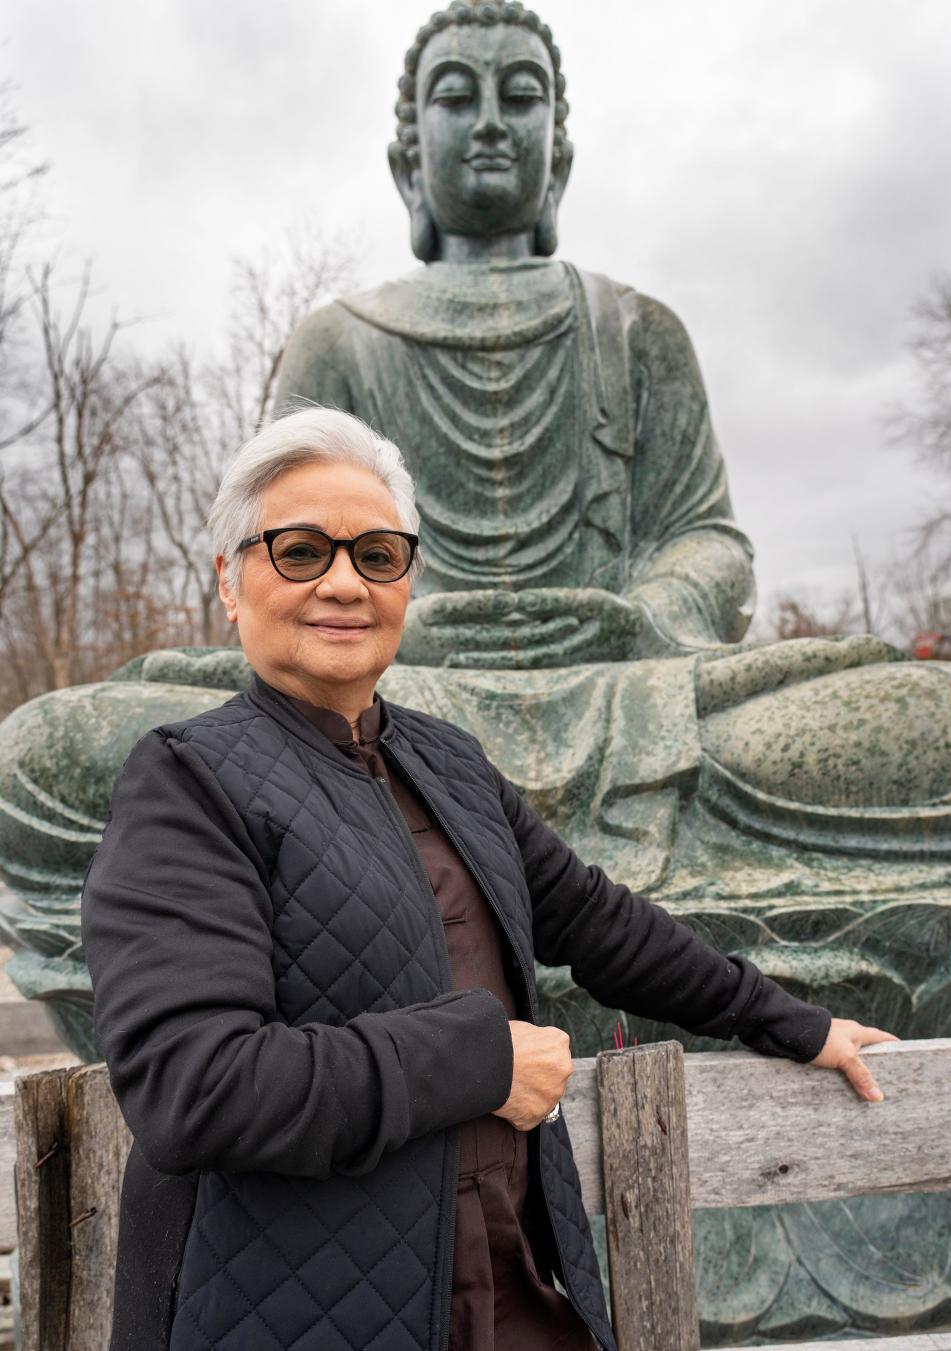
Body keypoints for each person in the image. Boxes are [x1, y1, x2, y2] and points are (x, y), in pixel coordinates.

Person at [82, 407, 897, 1351]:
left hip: (508, 1280)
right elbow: (196, 1088)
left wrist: (791, 1019)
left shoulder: (447, 762)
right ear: (231, 579)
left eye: (378, 555)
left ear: (409, 580)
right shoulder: (187, 778)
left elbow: (592, 919)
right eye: (300, 551)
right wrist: (482, 1060)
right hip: (300, 1309)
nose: (344, 582)